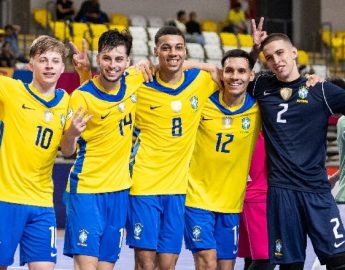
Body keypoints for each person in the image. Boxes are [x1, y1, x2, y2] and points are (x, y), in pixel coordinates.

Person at [126, 25, 220, 270]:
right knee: (145, 263)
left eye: (178, 47)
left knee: (167, 264)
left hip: (178, 188)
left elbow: (234, 77)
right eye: (165, 48)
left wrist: (206, 66)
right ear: (155, 51)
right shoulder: (140, 83)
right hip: (144, 184)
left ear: (186, 51)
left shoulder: (201, 82)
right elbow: (107, 84)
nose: (173, 53)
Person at [249, 32, 345, 269]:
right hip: (282, 193)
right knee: (290, 265)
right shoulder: (262, 86)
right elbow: (232, 75)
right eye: (269, 57)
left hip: (317, 190)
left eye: (280, 53)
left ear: (294, 53)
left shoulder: (320, 90)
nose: (276, 60)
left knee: (339, 260)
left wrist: (322, 81)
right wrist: (253, 51)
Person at [61, 29, 148, 270]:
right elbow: (67, 150)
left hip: (120, 191)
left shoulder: (134, 79)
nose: (112, 65)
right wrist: (72, 133)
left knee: (106, 267)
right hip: (87, 189)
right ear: (98, 58)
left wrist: (145, 62)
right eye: (107, 58)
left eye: (119, 59)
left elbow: (166, 63)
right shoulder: (81, 96)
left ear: (127, 62)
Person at [184, 49, 261, 270]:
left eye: (241, 71)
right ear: (221, 73)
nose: (234, 76)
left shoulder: (258, 110)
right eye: (228, 70)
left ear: (250, 76)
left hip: (231, 203)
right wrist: (207, 67)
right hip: (197, 199)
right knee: (207, 262)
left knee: (225, 267)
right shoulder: (203, 103)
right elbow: (178, 70)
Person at [0, 35, 69, 270]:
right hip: (5, 199)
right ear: (30, 65)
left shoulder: (66, 102)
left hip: (42, 203)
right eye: (42, 60)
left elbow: (68, 150)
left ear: (62, 68)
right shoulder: (10, 89)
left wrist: (73, 134)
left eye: (55, 60)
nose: (49, 65)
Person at [238, 131, 275, 270]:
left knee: (253, 257)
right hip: (257, 198)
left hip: (249, 195)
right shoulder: (262, 127)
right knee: (267, 257)